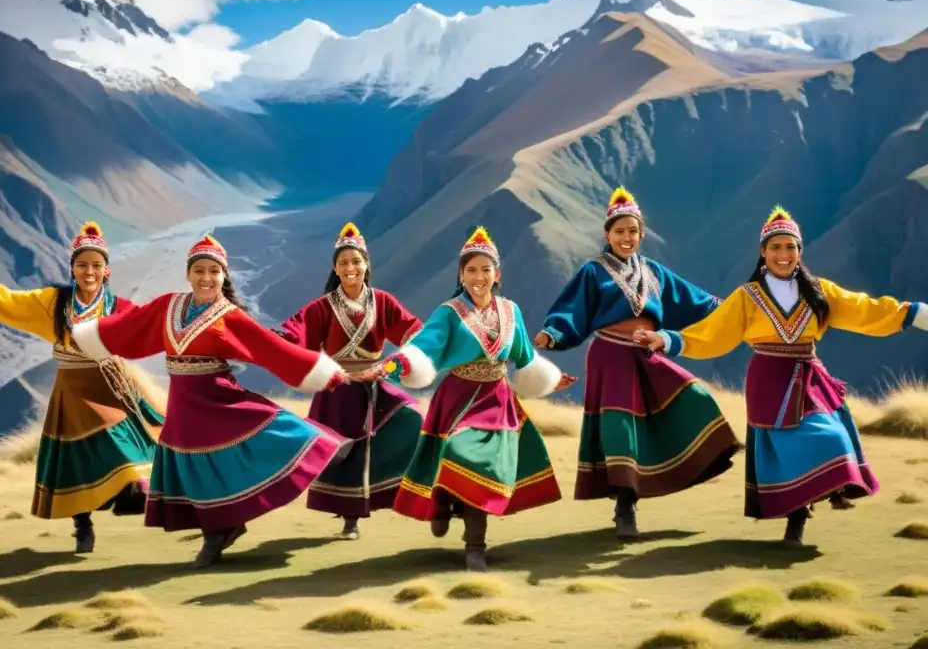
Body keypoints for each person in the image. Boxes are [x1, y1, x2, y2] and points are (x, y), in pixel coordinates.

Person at [634, 205, 928, 544]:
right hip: (769, 379)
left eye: (790, 247)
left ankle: (831, 487)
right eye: (775, 247)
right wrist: (668, 339)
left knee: (830, 436)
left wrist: (912, 314)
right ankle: (797, 521)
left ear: (799, 252)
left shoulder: (821, 292)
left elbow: (864, 310)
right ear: (763, 253)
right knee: (789, 452)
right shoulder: (747, 297)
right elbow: (713, 333)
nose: (783, 254)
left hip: (810, 376)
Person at [71, 233, 358, 567]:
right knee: (197, 469)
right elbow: (131, 326)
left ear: (224, 276)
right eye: (200, 271)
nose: (206, 278)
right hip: (182, 405)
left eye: (214, 271)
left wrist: (323, 371)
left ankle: (321, 451)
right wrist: (93, 336)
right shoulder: (168, 306)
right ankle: (225, 526)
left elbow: (269, 348)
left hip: (219, 400)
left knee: (237, 452)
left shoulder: (230, 315)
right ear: (188, 274)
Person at [0, 221, 166, 553]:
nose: (89, 271)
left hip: (111, 386)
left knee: (122, 442)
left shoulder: (118, 307)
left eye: (96, 266)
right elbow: (9, 301)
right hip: (72, 389)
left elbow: (151, 323)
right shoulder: (54, 302)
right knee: (74, 460)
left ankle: (128, 494)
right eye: (82, 265)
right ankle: (83, 526)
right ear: (72, 269)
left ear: (106, 272)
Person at [365, 226, 577, 572]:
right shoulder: (449, 312)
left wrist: (550, 380)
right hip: (459, 397)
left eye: (485, 269)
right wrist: (398, 362)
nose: (479, 277)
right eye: (471, 270)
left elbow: (523, 356)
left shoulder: (511, 312)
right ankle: (443, 501)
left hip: (498, 399)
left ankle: (474, 546)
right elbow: (425, 344)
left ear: (498, 274)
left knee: (485, 466)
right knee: (460, 453)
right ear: (461, 275)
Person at [533, 187, 740, 539]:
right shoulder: (592, 272)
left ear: (641, 234)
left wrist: (737, 310)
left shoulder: (653, 271)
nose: (626, 238)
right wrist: (552, 333)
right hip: (610, 354)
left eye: (632, 231)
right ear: (607, 234)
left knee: (694, 395)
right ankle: (625, 507)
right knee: (620, 430)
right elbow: (572, 310)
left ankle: (712, 449)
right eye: (619, 231)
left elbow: (696, 301)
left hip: (648, 352)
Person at [275, 222, 424, 540]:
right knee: (346, 452)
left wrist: (399, 363)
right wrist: (279, 338)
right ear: (335, 268)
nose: (350, 268)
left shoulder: (383, 302)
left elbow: (413, 332)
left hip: (376, 381)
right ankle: (350, 519)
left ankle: (401, 489)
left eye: (356, 261)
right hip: (337, 386)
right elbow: (296, 331)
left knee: (411, 418)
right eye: (343, 262)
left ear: (366, 264)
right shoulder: (323, 307)